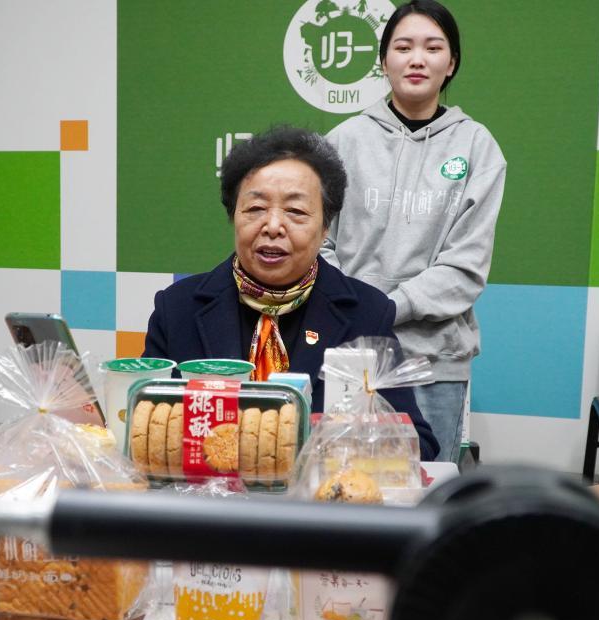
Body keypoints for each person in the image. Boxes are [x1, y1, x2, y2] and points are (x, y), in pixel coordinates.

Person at [143, 126, 438, 460]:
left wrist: (355, 444)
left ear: (325, 227)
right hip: (207, 490)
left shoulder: (366, 314)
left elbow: (419, 445)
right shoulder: (177, 308)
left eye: (296, 212)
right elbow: (144, 429)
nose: (272, 226)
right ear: (234, 215)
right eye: (255, 209)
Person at [321, 0, 506, 465]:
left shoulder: (477, 147)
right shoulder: (343, 141)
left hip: (434, 361)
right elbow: (318, 244)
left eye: (433, 48)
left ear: (452, 63)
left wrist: (385, 308)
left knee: (426, 487)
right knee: (341, 481)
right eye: (403, 47)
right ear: (383, 62)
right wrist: (357, 310)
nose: (417, 59)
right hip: (349, 351)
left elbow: (465, 267)